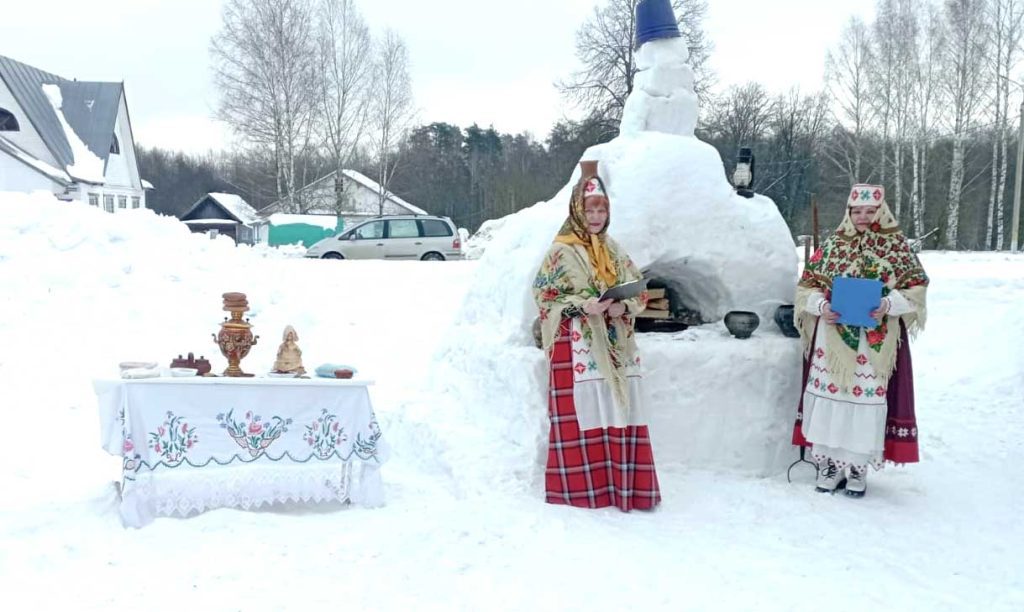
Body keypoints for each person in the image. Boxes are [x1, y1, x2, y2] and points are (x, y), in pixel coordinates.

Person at [532, 160, 660, 511]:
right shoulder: (561, 250)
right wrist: (580, 305)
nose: (596, 216)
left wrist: (624, 307)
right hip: (578, 345)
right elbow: (544, 295)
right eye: (590, 209)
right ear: (577, 209)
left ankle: (623, 486)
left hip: (615, 342)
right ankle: (584, 490)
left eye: (602, 209)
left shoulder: (613, 249)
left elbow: (640, 291)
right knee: (586, 415)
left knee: (619, 410)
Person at [792, 184, 929, 497]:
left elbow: (916, 289)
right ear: (848, 213)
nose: (863, 217)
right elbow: (806, 287)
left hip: (873, 344)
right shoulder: (833, 246)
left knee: (864, 402)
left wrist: (888, 305)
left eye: (870, 211)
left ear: (881, 212)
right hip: (832, 341)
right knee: (831, 398)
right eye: (857, 211)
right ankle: (829, 464)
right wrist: (821, 307)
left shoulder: (896, 248)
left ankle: (856, 468)